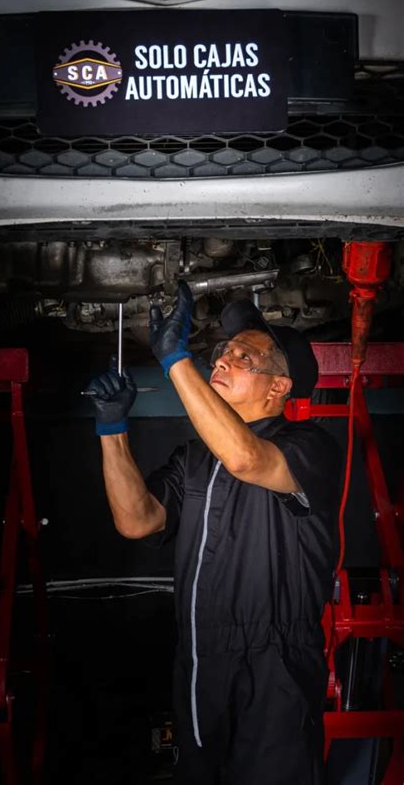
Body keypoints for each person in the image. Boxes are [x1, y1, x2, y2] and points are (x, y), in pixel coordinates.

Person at [87, 282, 342, 785]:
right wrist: (112, 431)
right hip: (200, 659)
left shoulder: (309, 447)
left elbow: (247, 457)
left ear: (278, 387)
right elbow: (136, 520)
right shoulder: (195, 460)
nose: (222, 360)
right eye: (221, 352)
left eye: (243, 356)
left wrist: (177, 361)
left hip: (276, 666)